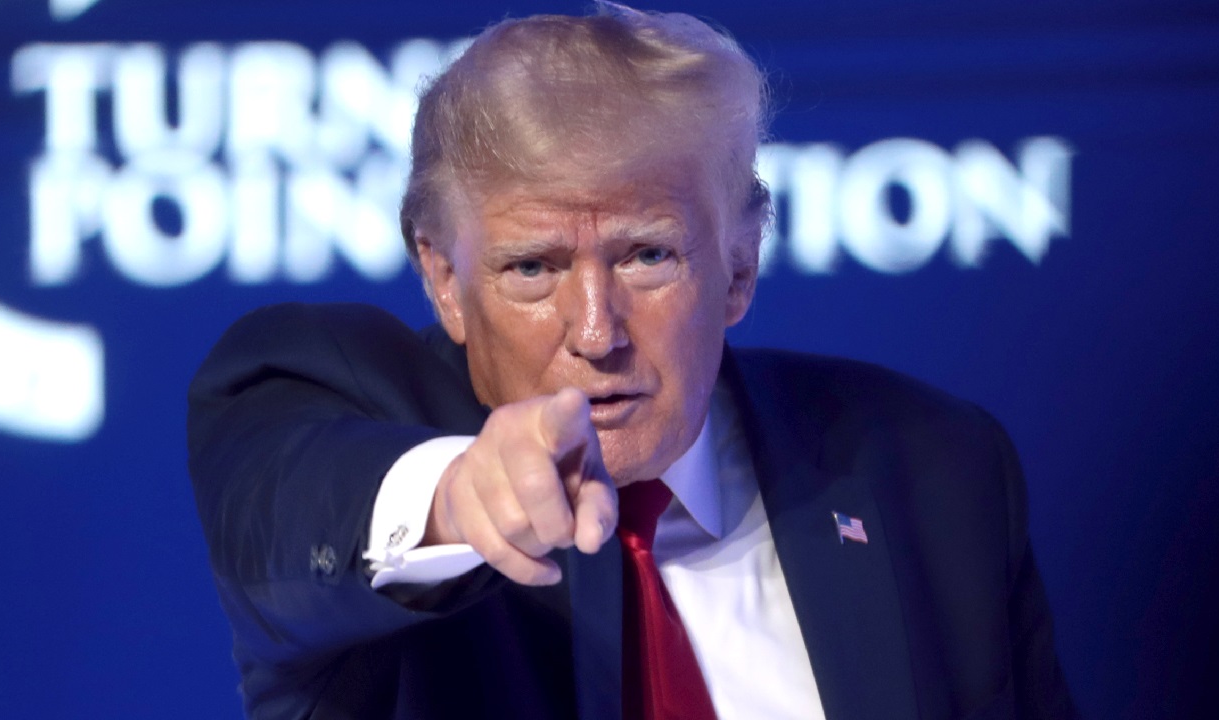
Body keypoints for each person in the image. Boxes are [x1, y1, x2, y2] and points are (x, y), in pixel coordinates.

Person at [188, 4, 1074, 719]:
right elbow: (285, 516)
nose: (595, 331)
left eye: (647, 256)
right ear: (444, 279)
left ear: (738, 266)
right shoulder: (333, 392)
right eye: (531, 268)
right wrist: (457, 499)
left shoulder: (933, 467)